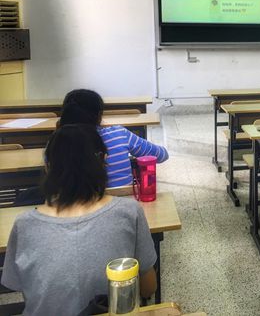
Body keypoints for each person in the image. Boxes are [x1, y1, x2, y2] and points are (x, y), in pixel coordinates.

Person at [1, 124, 157, 315]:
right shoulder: (129, 211)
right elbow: (148, 288)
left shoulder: (24, 224)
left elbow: (25, 288)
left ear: (47, 167)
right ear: (104, 161)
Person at [59, 89, 169, 187]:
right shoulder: (119, 134)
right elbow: (162, 155)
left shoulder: (58, 143)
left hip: (73, 203)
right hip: (123, 201)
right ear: (99, 116)